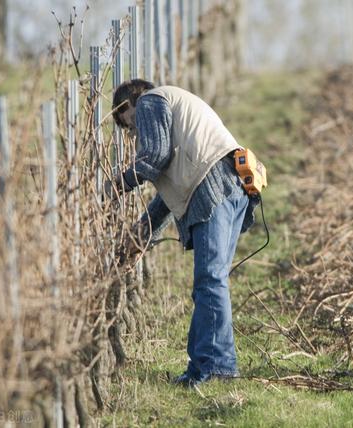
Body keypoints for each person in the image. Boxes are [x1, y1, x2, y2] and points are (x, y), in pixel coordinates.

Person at [108, 79, 257, 386]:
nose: (135, 132)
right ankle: (208, 366)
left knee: (210, 282)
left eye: (132, 123)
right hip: (232, 187)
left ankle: (215, 369)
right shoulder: (174, 113)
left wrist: (117, 185)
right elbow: (168, 190)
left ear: (133, 102)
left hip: (214, 189)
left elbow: (154, 156)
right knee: (211, 283)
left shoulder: (150, 101)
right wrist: (140, 235)